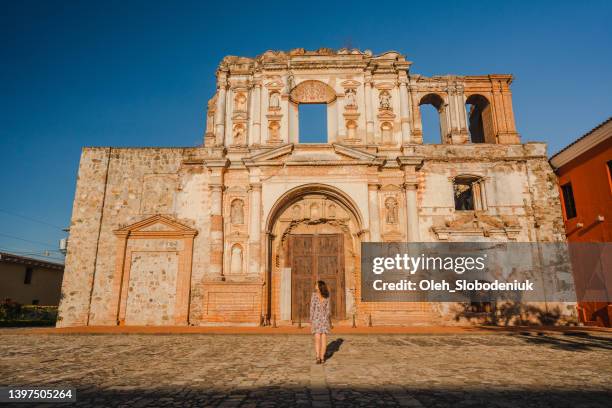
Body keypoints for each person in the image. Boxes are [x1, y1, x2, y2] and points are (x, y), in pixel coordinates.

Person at [310, 280, 331, 364]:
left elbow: (312, 308)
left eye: (316, 285)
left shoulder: (314, 295)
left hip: (316, 319)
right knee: (323, 339)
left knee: (317, 339)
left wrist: (311, 320)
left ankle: (318, 357)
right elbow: (328, 310)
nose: (315, 286)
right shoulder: (327, 296)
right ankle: (322, 358)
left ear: (319, 287)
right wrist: (327, 319)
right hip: (324, 319)